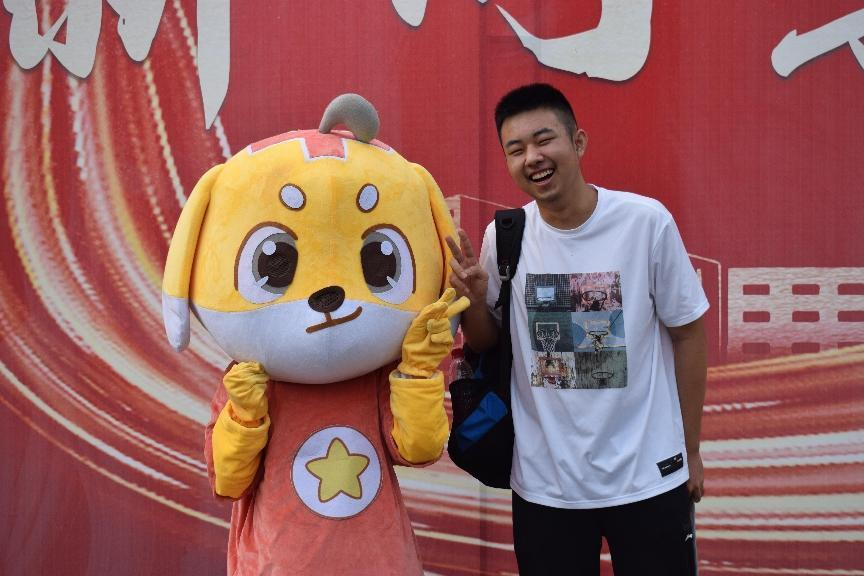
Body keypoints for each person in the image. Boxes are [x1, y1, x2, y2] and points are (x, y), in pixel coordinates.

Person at [447, 83, 708, 575]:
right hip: (546, 486)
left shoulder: (645, 223)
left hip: (649, 476)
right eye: (516, 149)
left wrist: (690, 448)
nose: (533, 158)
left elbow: (689, 333)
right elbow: (486, 342)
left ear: (578, 142)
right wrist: (474, 300)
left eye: (544, 140)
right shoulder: (505, 236)